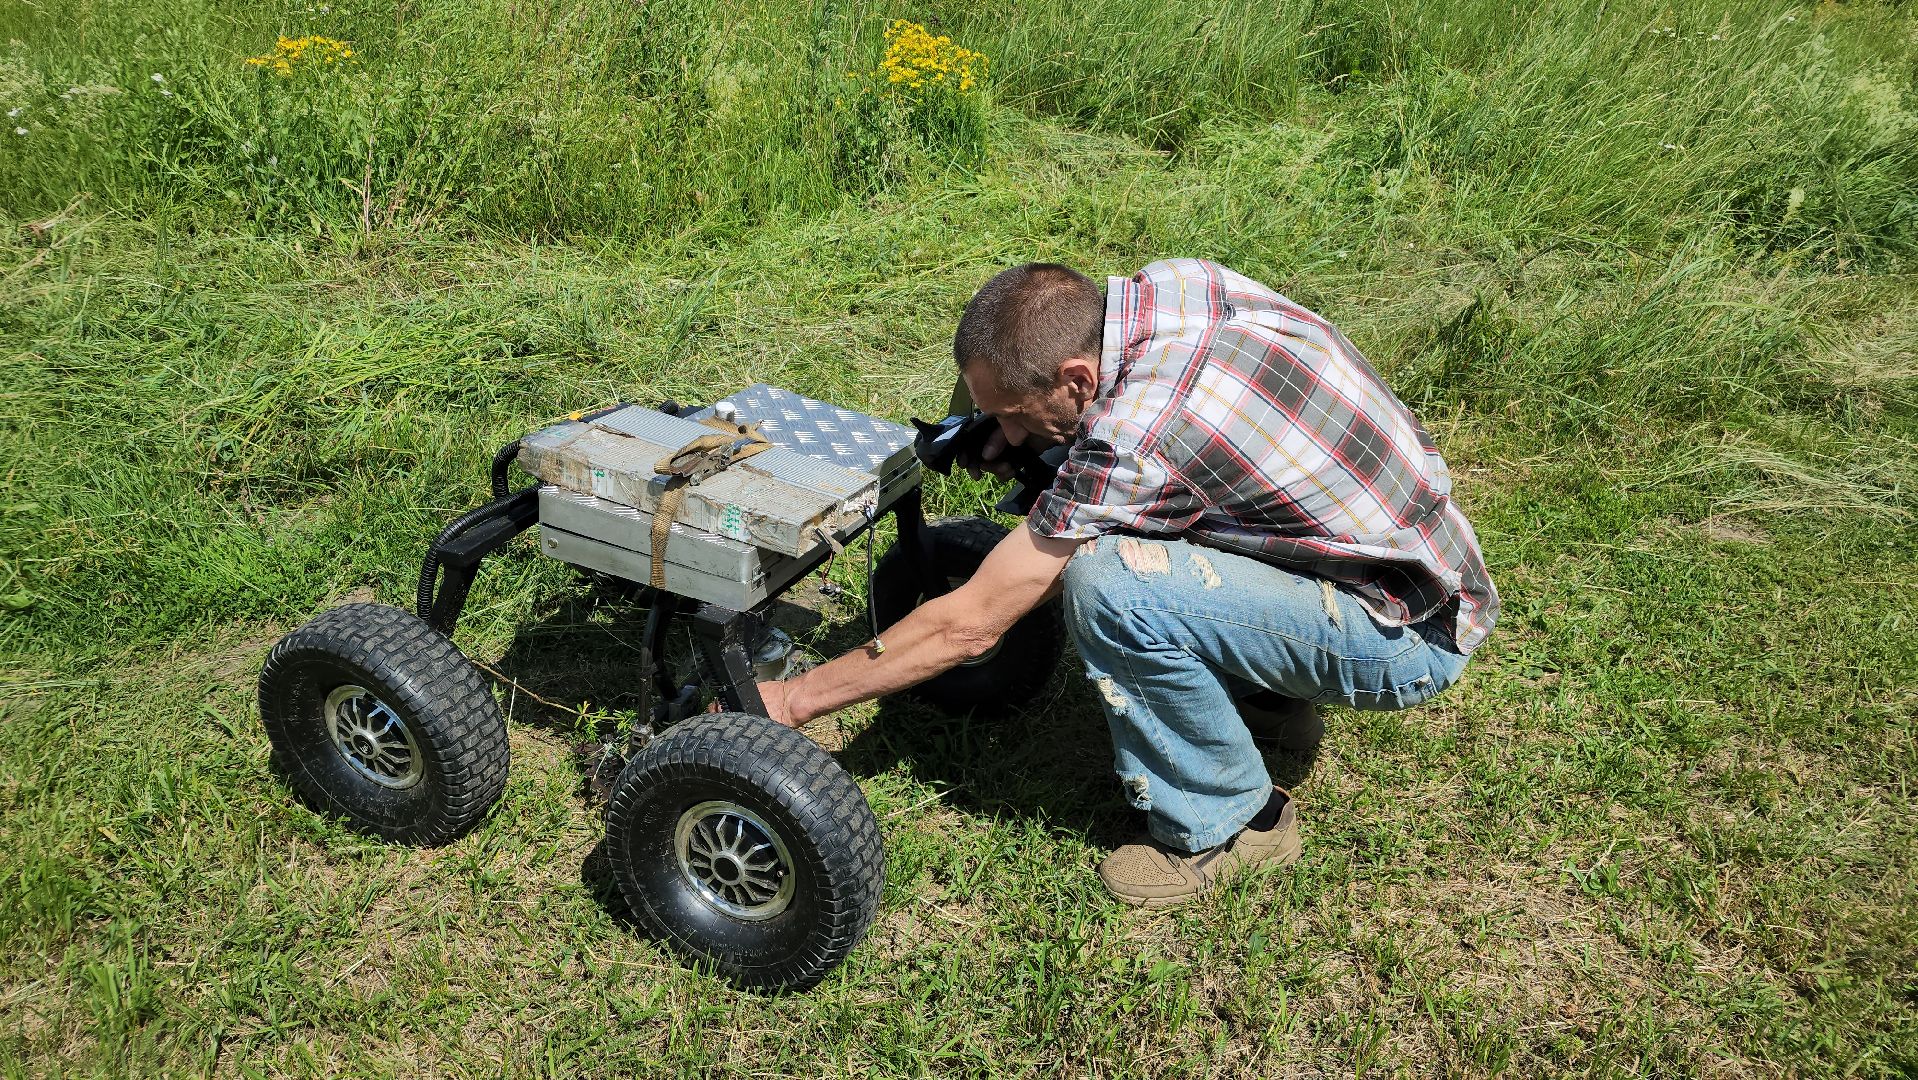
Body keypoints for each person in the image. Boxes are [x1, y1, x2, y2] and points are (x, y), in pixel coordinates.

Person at [758, 259, 1498, 908]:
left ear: (1077, 379)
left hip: (1402, 637)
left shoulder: (1141, 437)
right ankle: (1272, 705)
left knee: (1110, 580)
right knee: (1164, 521)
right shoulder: (1172, 289)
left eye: (1013, 416)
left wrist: (793, 700)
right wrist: (1026, 428)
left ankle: (1233, 822)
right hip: (1412, 562)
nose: (1007, 436)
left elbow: (973, 624)